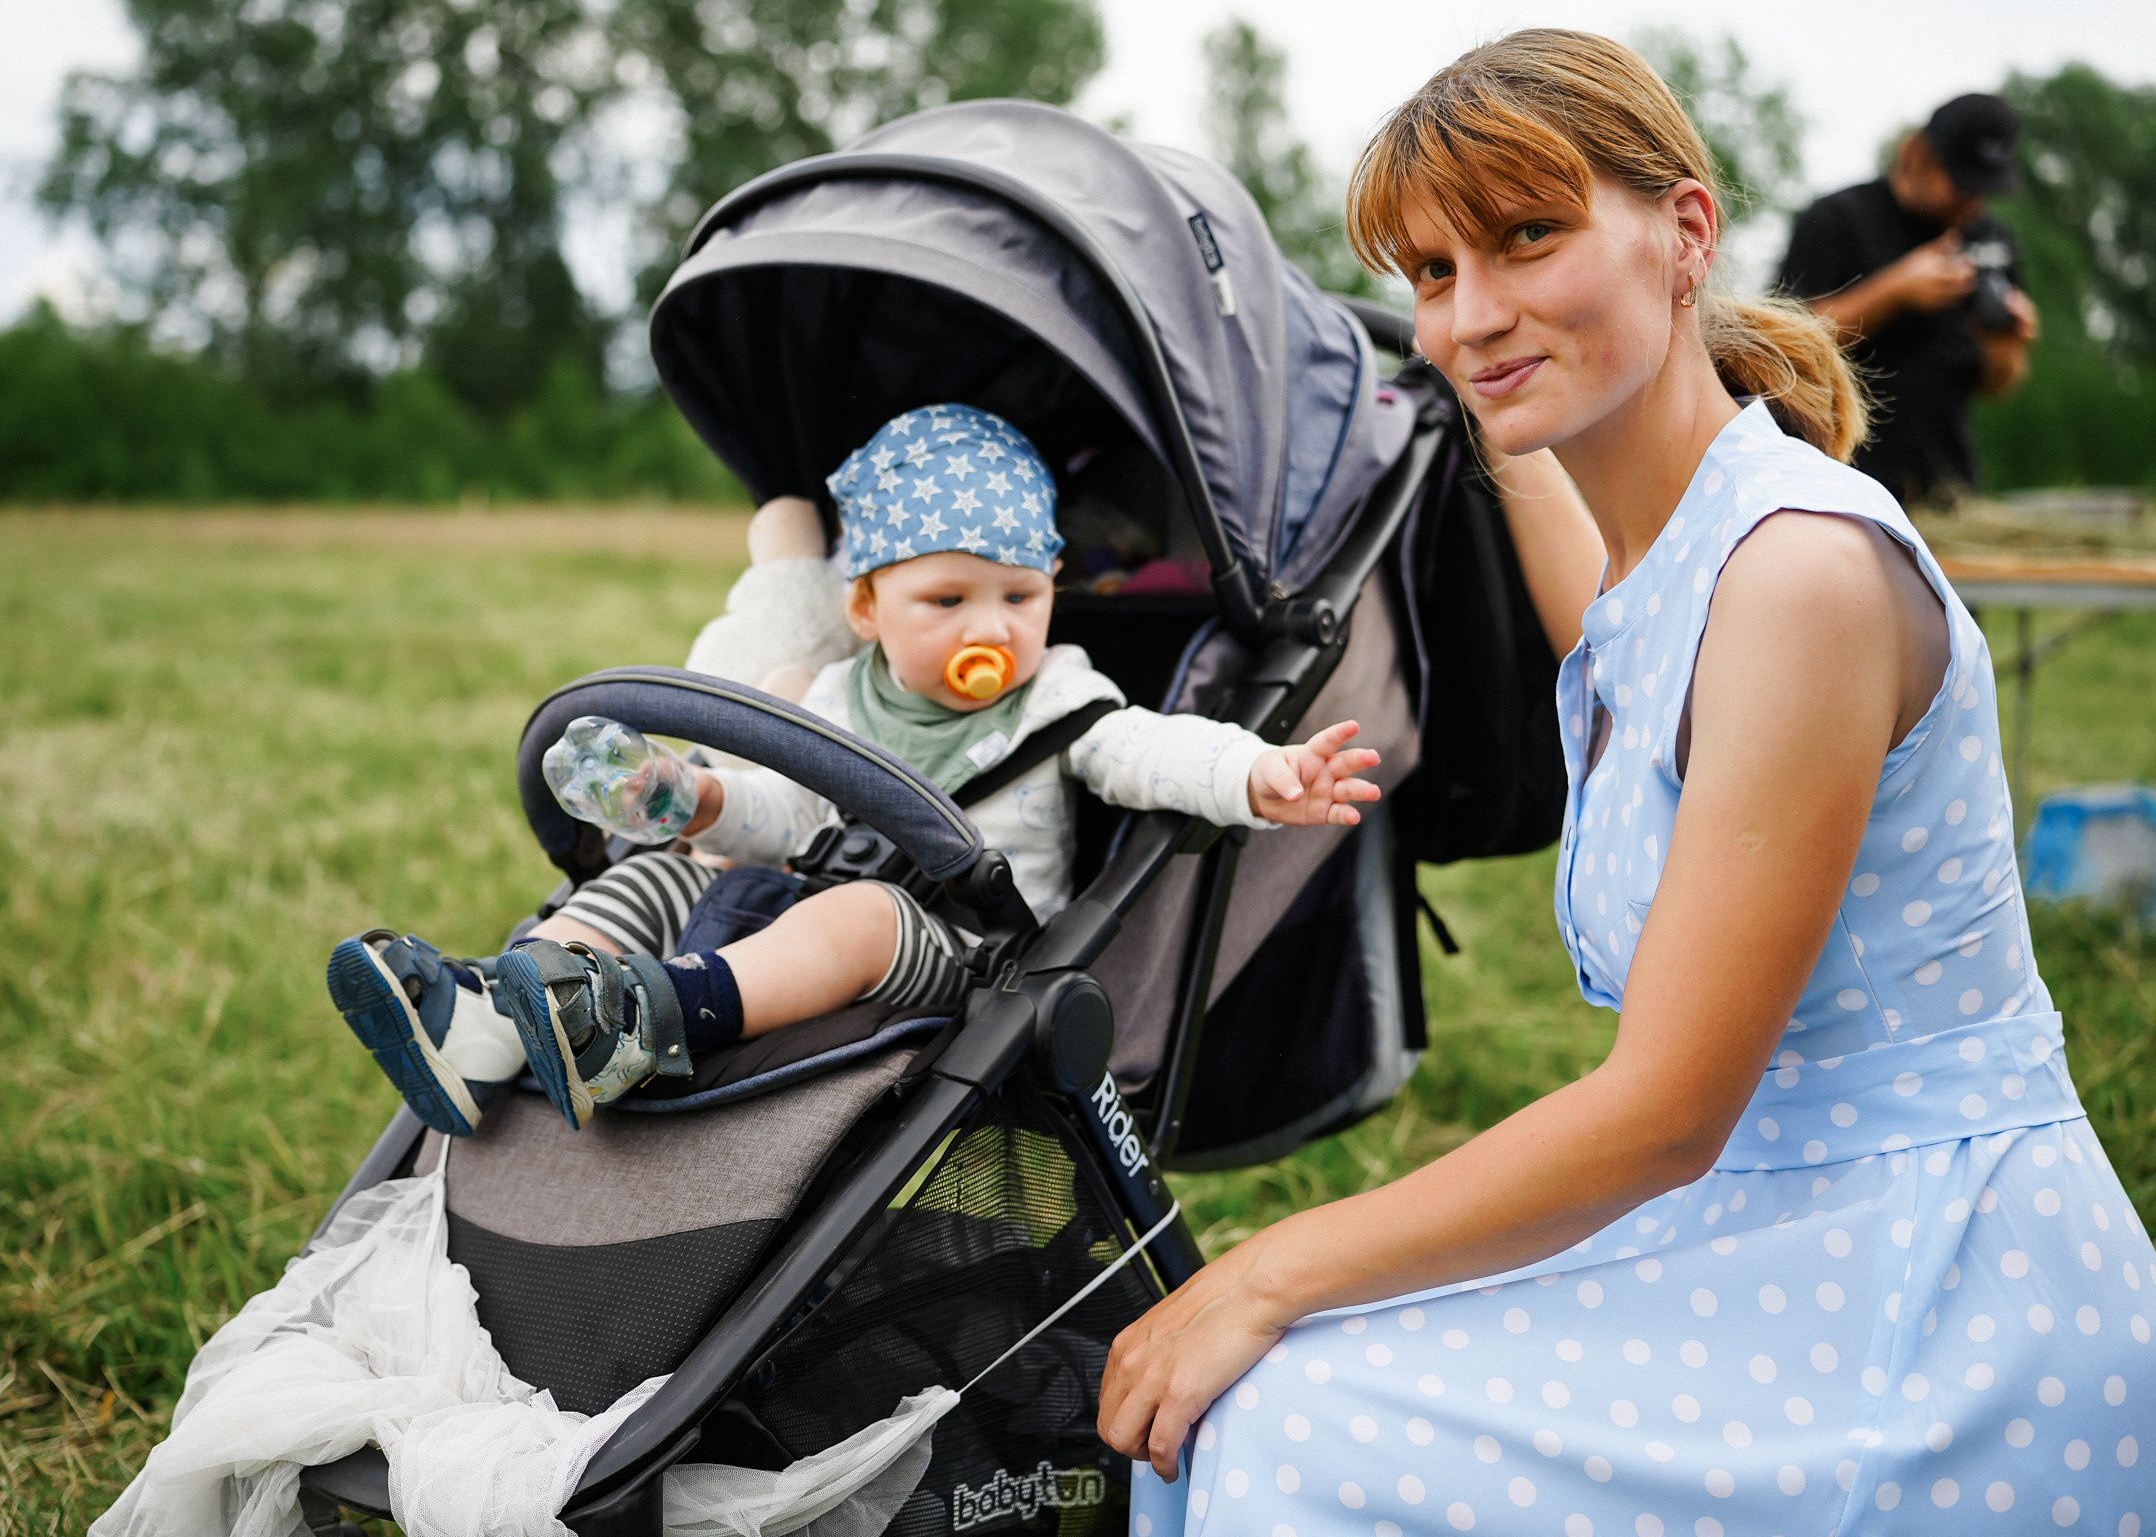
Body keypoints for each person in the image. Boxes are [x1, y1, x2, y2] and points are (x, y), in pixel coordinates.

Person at [1103, 30, 2156, 1533]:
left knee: (1278, 1407)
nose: (1474, 311)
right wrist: (1431, 378)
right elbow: (1590, 572)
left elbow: (1665, 1114)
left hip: (1930, 1293)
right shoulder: (1671, 562)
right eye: (1433, 272)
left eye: (1529, 236)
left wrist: (1263, 1263)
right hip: (1768, 1229)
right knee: (1243, 1404)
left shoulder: (1800, 577)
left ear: (1686, 231)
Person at [325, 403, 1383, 1136]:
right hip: (796, 896)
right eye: (949, 601)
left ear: (1054, 588)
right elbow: (783, 816)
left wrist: (1254, 774)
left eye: (1021, 596)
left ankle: (646, 1019)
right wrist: (693, 800)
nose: (995, 628)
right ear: (866, 608)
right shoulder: (832, 698)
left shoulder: (1058, 698)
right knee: (653, 871)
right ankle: (493, 1023)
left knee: (861, 914)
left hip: (959, 953)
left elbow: (1154, 746)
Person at [1775, 93, 2040, 507]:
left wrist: (2007, 351)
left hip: (1947, 489)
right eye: (1961, 181)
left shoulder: (1991, 239)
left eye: (1984, 187)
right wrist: (1895, 291)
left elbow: (1996, 386)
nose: (1973, 201)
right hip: (1841, 482)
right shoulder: (1836, 219)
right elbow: (1785, 344)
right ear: (1916, 155)